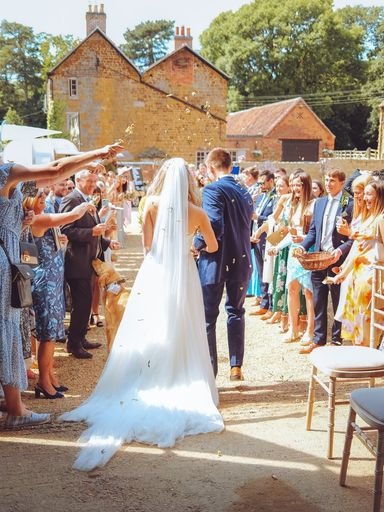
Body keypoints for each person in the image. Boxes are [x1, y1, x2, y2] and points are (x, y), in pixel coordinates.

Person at [61, 158, 224, 470]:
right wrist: (191, 248)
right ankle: (178, 372)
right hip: (183, 273)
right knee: (183, 323)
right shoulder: (198, 213)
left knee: (149, 324)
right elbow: (213, 247)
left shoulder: (150, 204)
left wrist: (170, 248)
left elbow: (148, 245)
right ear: (188, 182)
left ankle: (143, 376)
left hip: (157, 271)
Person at [0, 142, 122, 427]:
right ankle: (16, 411)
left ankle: (12, 402)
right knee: (7, 329)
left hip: (8, 255)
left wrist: (21, 221)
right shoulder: (5, 173)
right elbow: (56, 171)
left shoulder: (10, 181)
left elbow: (45, 184)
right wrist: (97, 153)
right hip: (5, 263)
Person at [25, 191, 94, 398]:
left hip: (52, 281)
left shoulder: (39, 218)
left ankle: (51, 377)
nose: (43, 201)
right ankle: (43, 382)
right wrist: (86, 204)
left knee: (52, 334)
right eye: (39, 198)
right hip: (45, 282)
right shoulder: (38, 218)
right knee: (47, 335)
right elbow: (71, 216)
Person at [194, 148, 253, 381]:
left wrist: (197, 244)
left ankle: (211, 371)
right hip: (242, 259)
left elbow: (215, 225)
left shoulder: (212, 189)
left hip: (216, 261)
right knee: (236, 311)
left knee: (208, 317)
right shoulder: (245, 190)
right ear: (230, 165)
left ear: (210, 168)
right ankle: (236, 365)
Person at [59, 170, 120, 359]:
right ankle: (74, 344)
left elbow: (93, 231)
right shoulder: (71, 199)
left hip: (90, 261)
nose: (94, 184)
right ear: (78, 180)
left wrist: (108, 241)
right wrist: (92, 232)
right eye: (90, 180)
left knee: (85, 304)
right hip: (77, 261)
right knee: (81, 303)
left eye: (95, 180)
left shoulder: (87, 199)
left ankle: (81, 338)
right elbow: (66, 230)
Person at [295, 170, 354, 354]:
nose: (328, 184)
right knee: (318, 300)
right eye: (327, 180)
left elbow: (353, 237)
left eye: (333, 180)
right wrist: (303, 247)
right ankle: (319, 340)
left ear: (342, 182)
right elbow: (313, 232)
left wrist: (340, 251)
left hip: (337, 259)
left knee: (337, 300)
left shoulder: (349, 204)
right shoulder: (319, 203)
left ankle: (336, 339)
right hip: (318, 259)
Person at [250, 170, 276, 318]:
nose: (260, 185)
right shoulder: (260, 197)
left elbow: (272, 218)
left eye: (263, 182)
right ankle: (263, 303)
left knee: (268, 272)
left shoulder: (275, 198)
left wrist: (258, 217)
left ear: (271, 181)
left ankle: (270, 305)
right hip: (256, 238)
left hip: (268, 238)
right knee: (260, 272)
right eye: (259, 182)